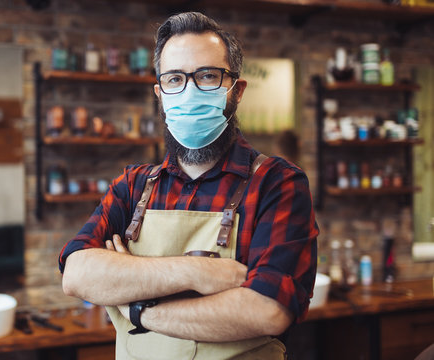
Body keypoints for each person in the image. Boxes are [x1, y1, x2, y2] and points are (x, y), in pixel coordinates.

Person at [59, 12, 318, 359]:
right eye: (175, 79)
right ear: (160, 94)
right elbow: (77, 274)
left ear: (236, 90)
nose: (189, 91)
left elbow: (267, 310)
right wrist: (197, 271)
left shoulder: (277, 183)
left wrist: (140, 310)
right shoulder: (133, 186)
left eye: (208, 76)